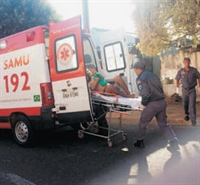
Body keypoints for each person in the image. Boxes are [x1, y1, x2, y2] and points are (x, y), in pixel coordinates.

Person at [133, 61, 178, 150]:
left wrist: (143, 103)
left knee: (143, 122)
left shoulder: (141, 78)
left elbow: (145, 93)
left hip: (152, 104)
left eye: (135, 70)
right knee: (163, 124)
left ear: (138, 69)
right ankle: (173, 140)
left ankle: (140, 141)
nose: (135, 72)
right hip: (162, 102)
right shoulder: (154, 75)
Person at [175, 57, 200, 126]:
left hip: (192, 90)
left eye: (188, 62)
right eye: (185, 62)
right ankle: (186, 113)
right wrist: (177, 89)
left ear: (190, 62)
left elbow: (199, 77)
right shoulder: (181, 71)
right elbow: (177, 79)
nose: (187, 64)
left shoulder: (194, 70)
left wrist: (199, 86)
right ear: (183, 63)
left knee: (192, 105)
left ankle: (193, 120)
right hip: (184, 90)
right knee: (185, 104)